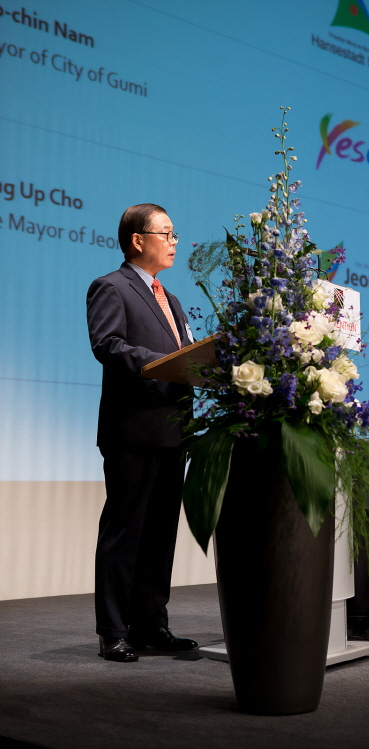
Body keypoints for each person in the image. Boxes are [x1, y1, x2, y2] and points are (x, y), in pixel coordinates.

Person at [87, 203, 197, 662]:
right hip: (132, 430)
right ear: (138, 240)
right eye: (166, 233)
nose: (174, 242)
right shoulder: (111, 287)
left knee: (159, 535)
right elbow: (107, 344)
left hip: (173, 431)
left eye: (174, 234)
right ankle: (114, 630)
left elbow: (185, 352)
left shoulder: (171, 299)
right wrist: (163, 365)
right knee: (124, 532)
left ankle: (151, 624)